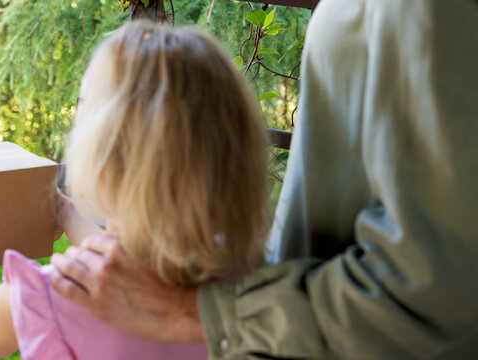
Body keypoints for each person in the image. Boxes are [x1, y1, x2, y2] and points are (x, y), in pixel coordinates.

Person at [50, 0, 478, 358]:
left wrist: (188, 313)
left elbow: (438, 282)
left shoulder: (53, 298)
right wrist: (64, 212)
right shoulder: (229, 264)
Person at [0, 21, 269, 359]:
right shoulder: (249, 272)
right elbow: (139, 258)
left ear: (103, 152)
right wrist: (65, 213)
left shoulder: (62, 291)